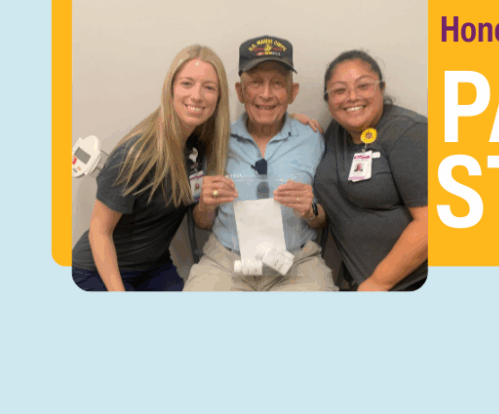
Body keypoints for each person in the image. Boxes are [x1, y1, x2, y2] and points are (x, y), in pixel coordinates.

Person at [71, 45, 232, 291]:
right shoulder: (135, 154)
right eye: (187, 84)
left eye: (208, 87)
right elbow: (99, 231)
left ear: (219, 97)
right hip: (97, 270)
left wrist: (207, 203)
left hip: (153, 267)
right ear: (170, 89)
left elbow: (201, 223)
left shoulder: (197, 149)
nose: (197, 96)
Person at [184, 35, 337, 291]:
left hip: (296, 263)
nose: (266, 95)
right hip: (226, 261)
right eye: (255, 83)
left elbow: (324, 220)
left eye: (277, 84)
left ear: (292, 92)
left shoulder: (313, 139)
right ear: (240, 91)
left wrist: (310, 210)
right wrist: (206, 205)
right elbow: (202, 222)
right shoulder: (213, 140)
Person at [314, 50, 427, 291]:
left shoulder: (408, 132)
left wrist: (378, 283)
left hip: (414, 282)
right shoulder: (335, 133)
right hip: (363, 284)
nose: (352, 97)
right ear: (328, 99)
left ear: (381, 88)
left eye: (363, 85)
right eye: (339, 90)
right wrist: (291, 122)